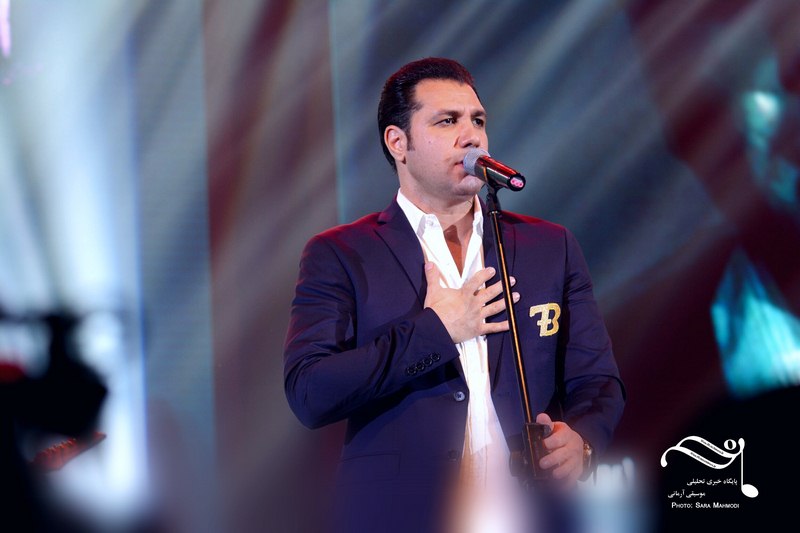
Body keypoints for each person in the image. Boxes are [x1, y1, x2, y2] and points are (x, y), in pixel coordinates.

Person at [283, 57, 625, 533]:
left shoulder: (549, 247)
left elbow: (598, 380)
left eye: (478, 121)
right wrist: (437, 330)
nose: (472, 137)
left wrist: (582, 440)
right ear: (398, 143)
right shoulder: (342, 253)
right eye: (447, 121)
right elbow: (310, 392)